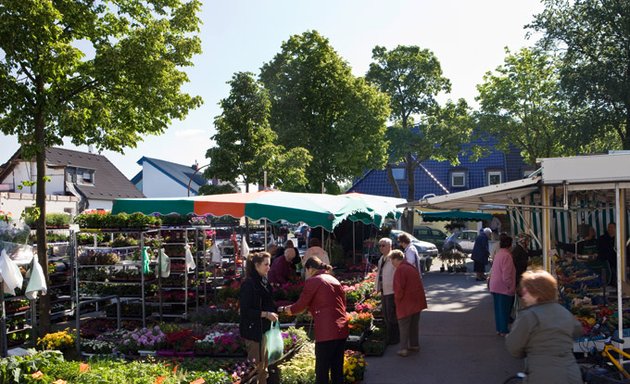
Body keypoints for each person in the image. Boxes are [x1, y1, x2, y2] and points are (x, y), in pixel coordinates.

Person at [505, 270, 583, 383]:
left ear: (537, 293)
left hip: (543, 375)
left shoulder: (529, 316)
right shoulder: (563, 312)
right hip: (571, 373)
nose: (523, 295)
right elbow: (578, 330)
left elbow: (514, 349)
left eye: (526, 291)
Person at [280, 257, 348, 384]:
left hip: (326, 331)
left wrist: (287, 310)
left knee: (321, 371)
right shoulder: (333, 279)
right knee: (337, 370)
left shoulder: (314, 281)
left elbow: (301, 305)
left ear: (310, 269)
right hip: (341, 328)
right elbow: (341, 303)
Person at [239, 252, 279, 384]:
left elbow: (269, 303)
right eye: (266, 264)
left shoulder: (264, 281)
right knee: (255, 368)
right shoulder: (249, 284)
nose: (269, 267)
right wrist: (266, 314)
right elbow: (245, 311)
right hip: (253, 331)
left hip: (264, 329)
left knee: (264, 367)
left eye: (269, 264)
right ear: (257, 265)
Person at [389, 249, 428, 357]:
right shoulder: (411, 267)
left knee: (404, 326)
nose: (392, 263)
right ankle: (414, 345)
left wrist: (397, 300)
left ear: (396, 259)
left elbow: (398, 289)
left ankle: (403, 349)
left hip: (406, 302)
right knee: (414, 325)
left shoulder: (400, 270)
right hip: (416, 301)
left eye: (392, 261)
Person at [488, 233, 516, 336]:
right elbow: (506, 275)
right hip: (503, 287)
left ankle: (499, 329)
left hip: (495, 285)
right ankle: (504, 330)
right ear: (510, 245)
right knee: (504, 309)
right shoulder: (507, 256)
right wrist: (510, 286)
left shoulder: (499, 254)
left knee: (498, 309)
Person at [374, 237, 399, 345]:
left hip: (391, 290)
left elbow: (398, 274)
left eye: (383, 245)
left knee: (391, 315)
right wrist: (377, 287)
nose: (381, 248)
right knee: (386, 315)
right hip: (384, 289)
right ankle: (390, 336)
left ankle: (395, 338)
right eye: (379, 245)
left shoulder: (393, 258)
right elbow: (379, 274)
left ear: (390, 246)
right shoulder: (382, 258)